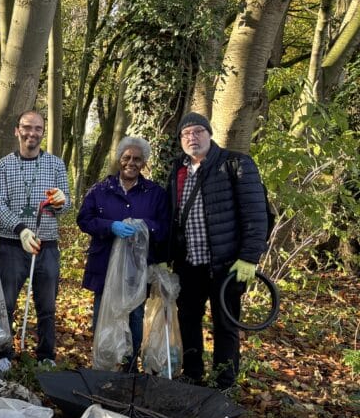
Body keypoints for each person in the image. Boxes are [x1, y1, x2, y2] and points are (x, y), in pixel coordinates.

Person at [167, 112, 267, 391]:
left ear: (209, 134)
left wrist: (248, 258)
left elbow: (255, 215)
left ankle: (224, 381)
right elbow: (171, 215)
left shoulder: (235, 164)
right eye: (186, 134)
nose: (192, 137)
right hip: (189, 263)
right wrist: (166, 256)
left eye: (198, 131)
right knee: (188, 318)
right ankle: (193, 374)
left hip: (226, 264)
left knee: (225, 323)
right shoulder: (178, 168)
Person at [77, 135, 169, 370]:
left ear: (144, 162)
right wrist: (110, 226)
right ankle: (103, 366)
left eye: (137, 159)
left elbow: (165, 226)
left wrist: (144, 226)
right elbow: (84, 219)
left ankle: (129, 369)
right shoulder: (100, 190)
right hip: (104, 266)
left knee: (135, 317)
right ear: (119, 159)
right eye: (126, 157)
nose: (131, 162)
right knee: (103, 316)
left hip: (137, 271)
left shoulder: (155, 193)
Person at [0, 110, 70, 365]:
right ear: (17, 130)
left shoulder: (56, 164)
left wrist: (60, 202)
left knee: (46, 305)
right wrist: (21, 229)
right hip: (12, 245)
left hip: (46, 245)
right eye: (27, 127)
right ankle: (3, 353)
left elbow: (64, 205)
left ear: (43, 132)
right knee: (6, 303)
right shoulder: (3, 165)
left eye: (38, 128)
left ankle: (46, 356)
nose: (32, 133)